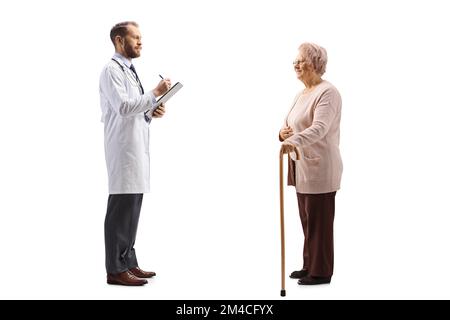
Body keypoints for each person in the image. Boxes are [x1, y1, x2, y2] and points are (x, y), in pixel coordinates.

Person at [99, 21, 171, 286]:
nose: (141, 42)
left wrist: (152, 110)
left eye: (141, 37)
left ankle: (128, 261)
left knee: (133, 207)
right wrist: (155, 93)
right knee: (120, 209)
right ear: (120, 41)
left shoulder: (129, 69)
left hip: (136, 148)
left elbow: (136, 111)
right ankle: (115, 269)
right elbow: (122, 107)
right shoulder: (111, 70)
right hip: (122, 149)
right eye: (136, 37)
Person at [279, 42, 343, 285]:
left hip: (320, 166)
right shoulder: (302, 93)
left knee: (319, 222)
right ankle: (309, 265)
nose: (296, 64)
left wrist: (292, 140)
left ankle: (321, 271)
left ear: (315, 63)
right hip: (301, 165)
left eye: (301, 60)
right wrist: (282, 134)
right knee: (308, 220)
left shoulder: (328, 92)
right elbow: (292, 124)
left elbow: (319, 128)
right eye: (294, 61)